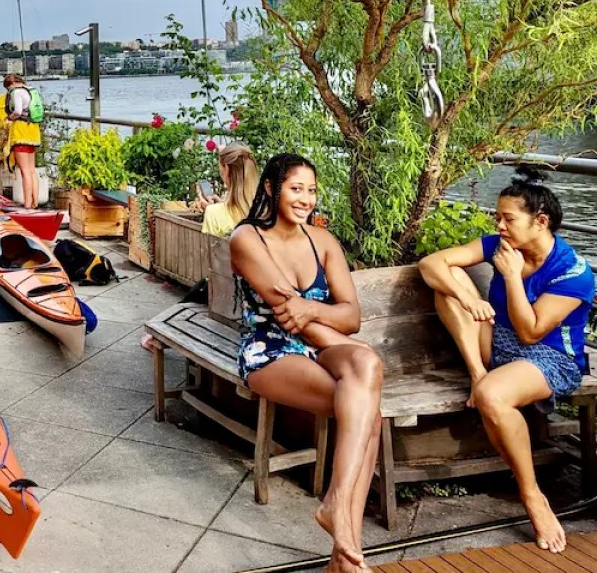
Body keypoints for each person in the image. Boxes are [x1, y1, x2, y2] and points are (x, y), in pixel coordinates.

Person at [418, 167, 593, 555]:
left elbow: (532, 331)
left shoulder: (574, 272)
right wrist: (468, 297)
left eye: (508, 218)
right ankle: (478, 374)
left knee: (493, 397)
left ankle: (532, 496)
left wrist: (512, 277)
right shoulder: (499, 245)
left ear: (540, 221)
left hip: (550, 358)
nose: (499, 225)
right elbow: (430, 264)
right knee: (447, 288)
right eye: (497, 217)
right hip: (496, 345)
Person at [230, 154, 383, 573]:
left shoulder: (324, 242)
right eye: (296, 189)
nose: (306, 199)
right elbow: (285, 315)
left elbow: (352, 316)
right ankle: (348, 552)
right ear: (271, 189)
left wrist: (310, 310)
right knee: (367, 411)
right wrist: (317, 317)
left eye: (311, 191)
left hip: (320, 345)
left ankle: (337, 515)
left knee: (366, 373)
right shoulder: (248, 239)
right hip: (270, 351)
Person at [197, 143, 260, 237]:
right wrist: (222, 203)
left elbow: (209, 249)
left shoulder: (214, 213)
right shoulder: (268, 209)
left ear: (226, 169)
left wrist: (214, 210)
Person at [3, 74, 43, 209]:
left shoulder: (17, 93)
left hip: (21, 132)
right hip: (33, 130)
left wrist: (10, 117)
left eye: (7, 88)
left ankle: (27, 204)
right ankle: (35, 202)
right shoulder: (30, 91)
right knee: (32, 170)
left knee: (24, 171)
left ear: (11, 84)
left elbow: (18, 111)